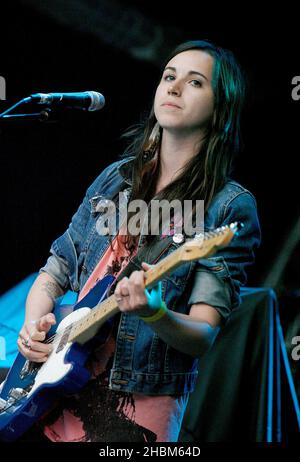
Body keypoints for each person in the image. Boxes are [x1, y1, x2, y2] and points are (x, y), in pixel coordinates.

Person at [17, 40, 261, 442]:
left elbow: (203, 334)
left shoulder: (228, 207)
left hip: (131, 416)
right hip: (55, 390)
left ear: (221, 109)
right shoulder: (116, 178)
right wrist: (32, 327)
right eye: (169, 76)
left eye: (195, 82)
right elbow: (54, 270)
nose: (175, 87)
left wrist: (155, 313)